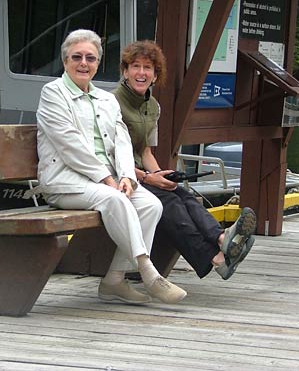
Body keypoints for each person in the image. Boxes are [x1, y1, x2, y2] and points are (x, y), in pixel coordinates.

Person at [35, 30, 187, 305]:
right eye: (77, 57)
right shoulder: (52, 94)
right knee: (115, 199)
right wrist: (107, 178)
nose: (84, 63)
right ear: (65, 60)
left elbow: (123, 142)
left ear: (97, 63)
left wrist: (128, 176)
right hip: (65, 181)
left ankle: (114, 281)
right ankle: (148, 272)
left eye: (90, 58)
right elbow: (69, 144)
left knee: (150, 205)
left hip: (108, 182)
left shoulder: (106, 99)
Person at [113, 40, 256, 281]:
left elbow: (145, 152)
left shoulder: (152, 106)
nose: (141, 73)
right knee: (170, 202)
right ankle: (217, 257)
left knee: (182, 193)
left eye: (148, 68)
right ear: (125, 71)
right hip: (119, 176)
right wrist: (149, 178)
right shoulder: (111, 103)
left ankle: (222, 239)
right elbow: (109, 157)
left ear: (155, 75)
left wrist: (162, 176)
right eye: (135, 66)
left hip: (141, 175)